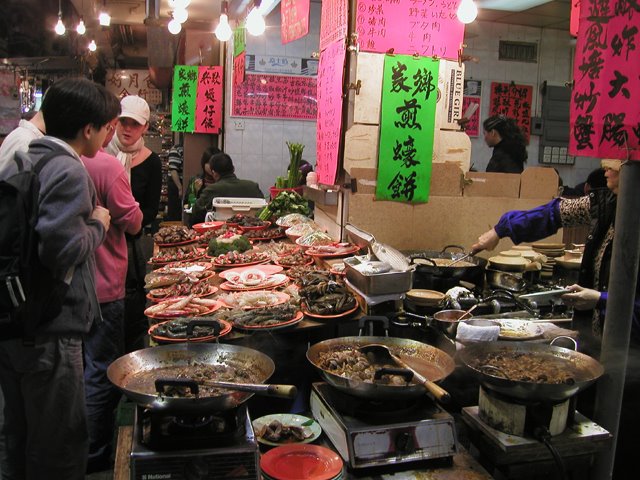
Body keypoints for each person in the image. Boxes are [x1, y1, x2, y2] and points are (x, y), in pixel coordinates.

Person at [471, 158, 639, 479]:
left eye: (617, 162)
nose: (606, 167)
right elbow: (553, 213)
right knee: (590, 435)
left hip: (632, 364)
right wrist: (500, 230)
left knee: (623, 447)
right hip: (598, 349)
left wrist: (601, 299)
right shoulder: (606, 201)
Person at [0, 77, 112, 479]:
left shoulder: (28, 155)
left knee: (19, 436)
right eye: (105, 126)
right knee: (59, 444)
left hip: (17, 318)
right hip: (49, 329)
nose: (106, 135)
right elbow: (61, 249)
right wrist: (98, 223)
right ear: (88, 129)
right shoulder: (67, 169)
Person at [81, 94, 143, 473]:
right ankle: (96, 454)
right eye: (114, 124)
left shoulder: (52, 160)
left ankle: (77, 445)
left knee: (79, 369)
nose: (118, 130)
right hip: (104, 285)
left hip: (68, 289)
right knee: (101, 371)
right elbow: (133, 220)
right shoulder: (106, 167)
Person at [106, 95, 162, 352]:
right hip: (104, 241)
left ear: (145, 127)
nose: (127, 129)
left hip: (135, 242)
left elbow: (151, 208)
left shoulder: (152, 161)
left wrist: (129, 221)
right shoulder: (101, 155)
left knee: (135, 298)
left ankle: (131, 350)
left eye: (134, 124)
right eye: (123, 122)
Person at [191, 153, 264, 225]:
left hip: (221, 232)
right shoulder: (253, 186)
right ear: (233, 169)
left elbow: (195, 213)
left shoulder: (212, 189)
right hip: (251, 231)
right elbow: (263, 210)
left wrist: (197, 191)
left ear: (214, 173)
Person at [184, 145, 221, 211]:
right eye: (209, 163)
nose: (212, 167)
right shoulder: (195, 180)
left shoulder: (222, 181)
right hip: (199, 219)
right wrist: (194, 191)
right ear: (203, 163)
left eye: (215, 163)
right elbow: (188, 206)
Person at [166, 141, 184, 221]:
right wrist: (180, 187)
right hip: (175, 184)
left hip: (180, 183)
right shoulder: (176, 149)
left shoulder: (184, 149)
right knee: (175, 211)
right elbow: (173, 170)